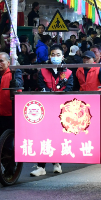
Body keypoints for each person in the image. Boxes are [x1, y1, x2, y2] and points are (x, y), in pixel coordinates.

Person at [31, 45, 73, 177]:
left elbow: (69, 88)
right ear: (49, 56)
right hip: (46, 107)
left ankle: (57, 163)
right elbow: (41, 85)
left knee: (59, 136)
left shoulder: (69, 72)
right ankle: (41, 166)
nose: (55, 57)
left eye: (58, 54)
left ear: (63, 56)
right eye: (53, 54)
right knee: (43, 136)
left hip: (62, 109)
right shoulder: (42, 71)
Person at [0, 52, 23, 154]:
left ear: (8, 62)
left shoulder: (15, 73)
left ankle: (11, 162)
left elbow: (19, 84)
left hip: (10, 115)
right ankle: (4, 163)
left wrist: (16, 84)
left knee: (8, 145)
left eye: (1, 61)